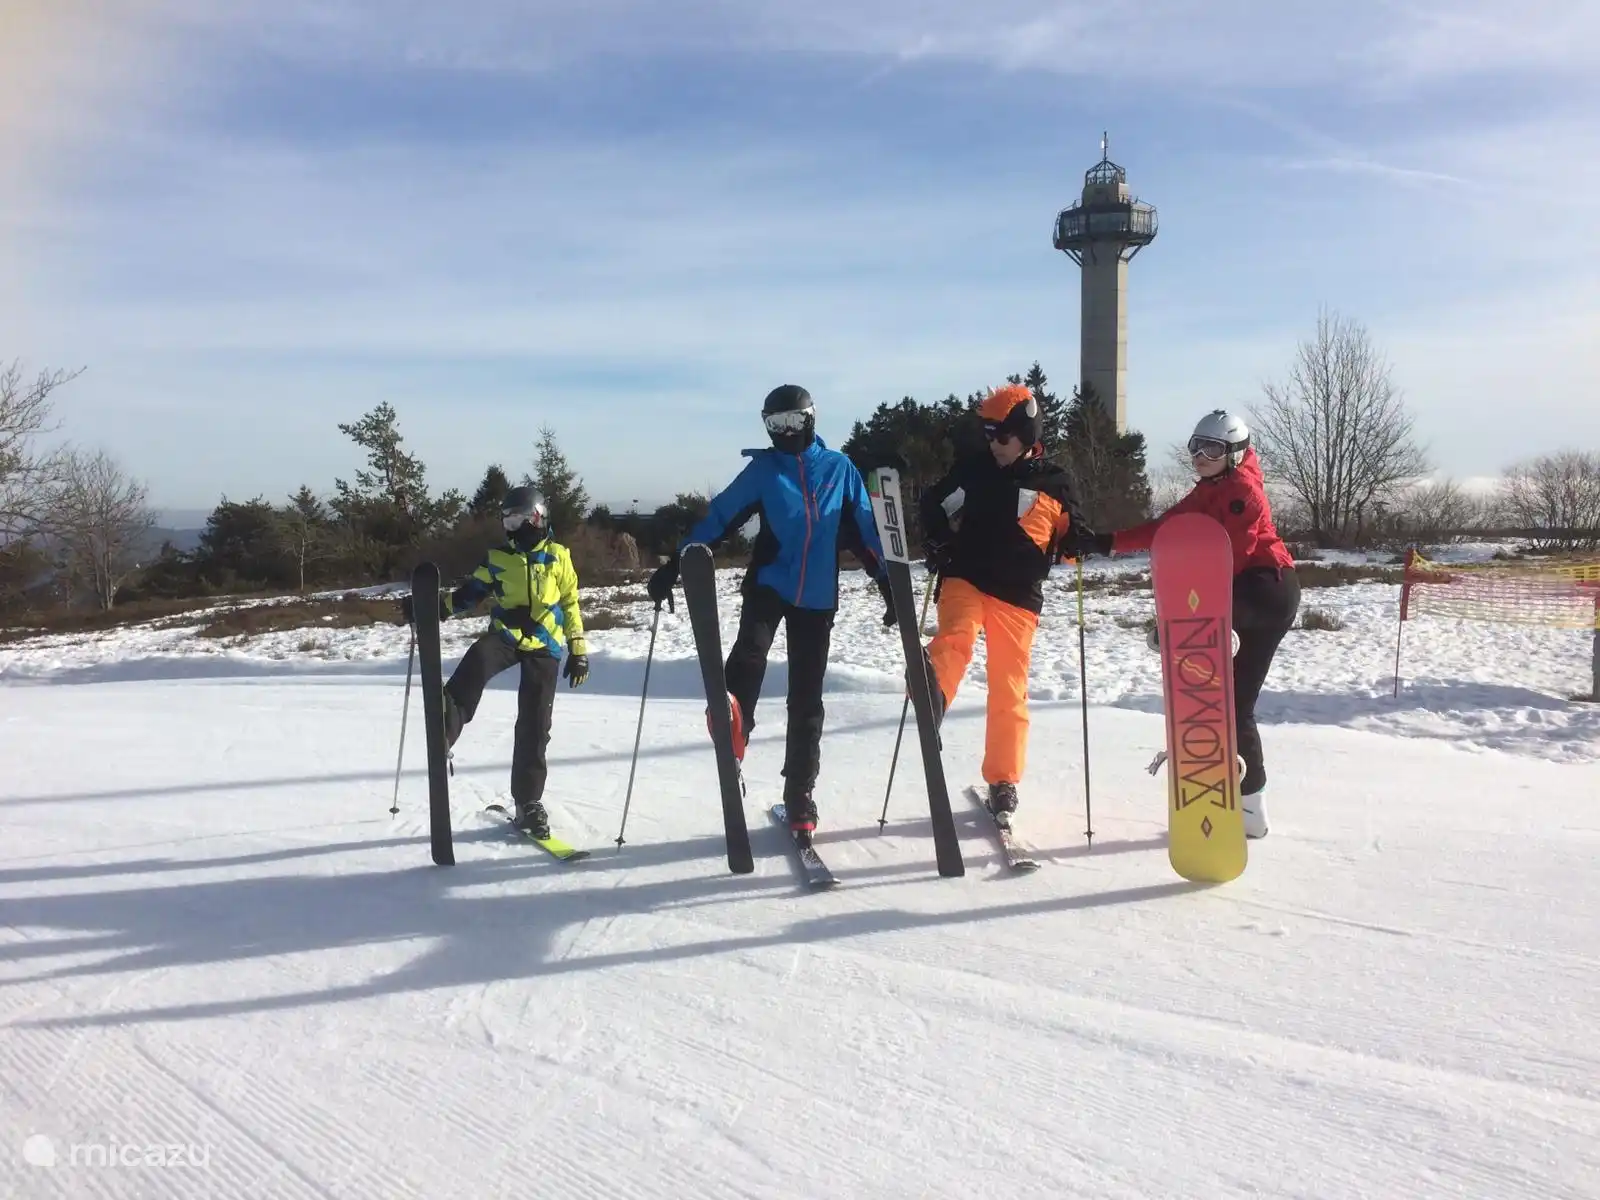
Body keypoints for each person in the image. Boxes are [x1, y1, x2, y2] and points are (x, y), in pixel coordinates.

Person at [647, 384, 894, 837]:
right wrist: (674, 564)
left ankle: (800, 795)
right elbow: (719, 517)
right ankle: (733, 721)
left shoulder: (840, 469)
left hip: (818, 596)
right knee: (750, 654)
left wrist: (887, 585)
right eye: (775, 424)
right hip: (769, 583)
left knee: (806, 700)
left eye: (792, 422)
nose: (785, 432)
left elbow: (863, 529)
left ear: (811, 419)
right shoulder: (763, 471)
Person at [1082, 409, 1299, 838]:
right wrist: (1107, 543)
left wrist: (1190, 621)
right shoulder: (1210, 488)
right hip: (1248, 592)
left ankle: (1203, 635)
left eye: (1212, 448)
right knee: (1234, 707)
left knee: (1234, 702)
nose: (1200, 455)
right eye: (1195, 447)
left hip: (1264, 590)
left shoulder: (1242, 492)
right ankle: (1251, 808)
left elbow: (1230, 556)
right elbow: (1167, 529)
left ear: (1234, 454)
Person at [917, 384, 1097, 820]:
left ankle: (1003, 780)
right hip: (967, 576)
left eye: (1002, 436)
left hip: (1018, 596)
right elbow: (933, 505)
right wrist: (938, 540)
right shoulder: (975, 471)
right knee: (955, 637)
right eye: (988, 434)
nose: (993, 444)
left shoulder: (1055, 482)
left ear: (1025, 433)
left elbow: (1074, 540)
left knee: (1008, 688)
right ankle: (930, 694)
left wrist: (1075, 542)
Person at [401, 486, 589, 839]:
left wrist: (578, 649)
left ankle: (528, 803)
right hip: (506, 635)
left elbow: (570, 603)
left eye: (517, 518)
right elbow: (470, 594)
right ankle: (444, 727)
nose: (511, 527)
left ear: (536, 517)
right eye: (506, 519)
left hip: (545, 644)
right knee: (477, 660)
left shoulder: (559, 557)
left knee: (535, 724)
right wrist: (431, 609)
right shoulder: (499, 558)